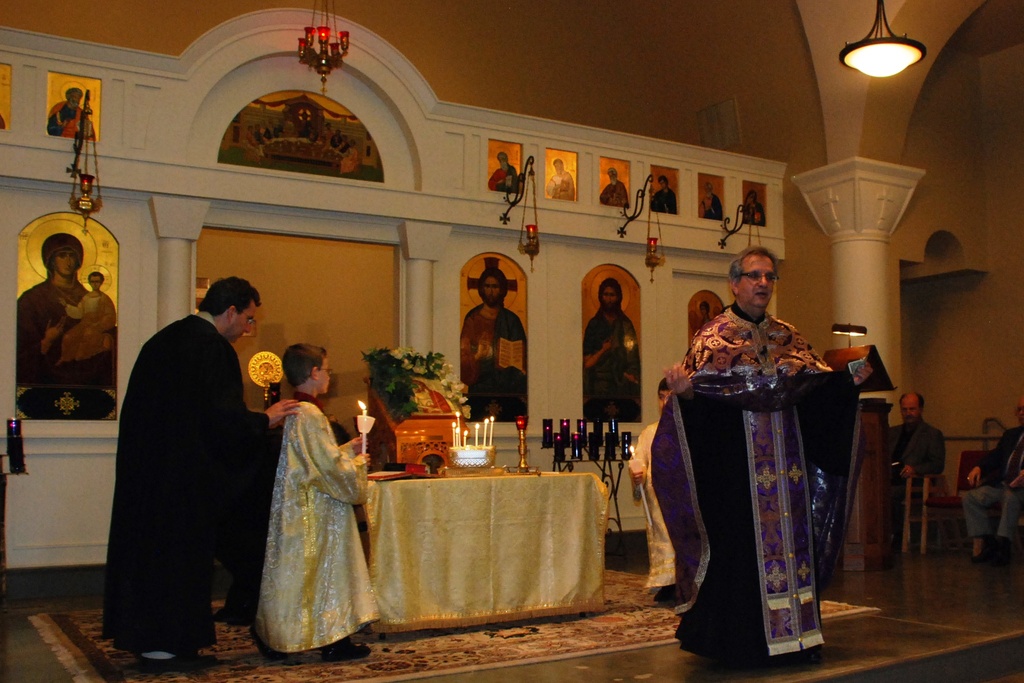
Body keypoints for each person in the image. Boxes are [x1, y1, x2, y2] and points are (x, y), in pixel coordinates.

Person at [653, 245, 872, 668]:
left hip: (788, 474)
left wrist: (849, 382)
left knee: (793, 550)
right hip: (737, 475)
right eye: (754, 276)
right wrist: (687, 394)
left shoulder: (790, 337)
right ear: (734, 283)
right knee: (741, 553)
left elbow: (816, 392)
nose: (762, 284)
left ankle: (799, 638)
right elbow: (701, 410)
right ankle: (743, 642)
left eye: (769, 277)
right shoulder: (712, 337)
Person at [102, 276, 299, 670]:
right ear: (229, 312)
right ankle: (169, 644)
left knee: (150, 557)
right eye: (247, 319)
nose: (248, 329)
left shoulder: (164, 339)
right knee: (176, 560)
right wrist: (264, 420)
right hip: (183, 482)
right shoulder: (212, 348)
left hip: (148, 475)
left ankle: (148, 640)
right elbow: (222, 420)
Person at [252, 344, 378, 661]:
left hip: (303, 503)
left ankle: (278, 634)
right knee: (325, 571)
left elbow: (315, 458)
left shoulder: (297, 409)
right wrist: (359, 463)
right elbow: (329, 469)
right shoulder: (311, 414)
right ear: (313, 373)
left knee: (297, 573)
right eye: (327, 369)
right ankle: (333, 638)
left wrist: (347, 448)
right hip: (318, 509)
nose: (329, 376)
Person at [17, 233, 113, 387]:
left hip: (89, 383)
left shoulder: (93, 299)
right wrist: (46, 341)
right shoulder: (32, 300)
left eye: (72, 256)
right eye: (62, 256)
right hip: (43, 385)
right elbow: (20, 350)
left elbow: (108, 326)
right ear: (51, 261)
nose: (68, 261)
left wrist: (105, 337)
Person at [627, 378, 676, 603]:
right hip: (659, 497)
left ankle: (684, 580)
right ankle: (667, 581)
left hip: (681, 497)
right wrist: (639, 475)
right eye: (661, 397)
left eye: (670, 397)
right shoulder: (649, 433)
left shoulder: (689, 430)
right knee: (662, 533)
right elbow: (641, 461)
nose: (665, 403)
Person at [962, 396, 1024, 567]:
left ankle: (1004, 547)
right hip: (1003, 484)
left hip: (1021, 489)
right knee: (970, 498)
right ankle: (990, 543)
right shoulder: (1011, 435)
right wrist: (979, 467)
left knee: (1011, 498)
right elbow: (995, 456)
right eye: (1019, 409)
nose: (1021, 413)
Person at [888, 392, 945, 550]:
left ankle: (898, 535)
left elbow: (937, 464)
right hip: (891, 476)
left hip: (915, 480)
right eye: (904, 409)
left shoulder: (932, 434)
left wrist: (915, 469)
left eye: (912, 409)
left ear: (921, 409)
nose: (908, 413)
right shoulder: (892, 433)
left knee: (891, 494)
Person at [460, 266, 527, 397]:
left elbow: (522, 354)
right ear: (481, 288)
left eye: (495, 287)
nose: (491, 291)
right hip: (480, 386)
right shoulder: (473, 318)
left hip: (508, 388)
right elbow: (464, 354)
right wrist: (478, 355)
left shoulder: (511, 320)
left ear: (502, 289)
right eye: (487, 286)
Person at [583, 277, 640, 401]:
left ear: (618, 297)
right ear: (600, 297)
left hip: (621, 384)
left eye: (612, 295)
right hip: (599, 382)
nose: (609, 299)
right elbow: (586, 362)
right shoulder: (594, 324)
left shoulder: (625, 324)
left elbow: (633, 357)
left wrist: (629, 374)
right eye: (606, 295)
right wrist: (604, 350)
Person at [58, 271, 117, 366]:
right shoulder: (86, 297)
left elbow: (110, 316)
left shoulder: (104, 298)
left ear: (101, 282)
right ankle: (65, 359)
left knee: (87, 336)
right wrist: (66, 306)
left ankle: (82, 361)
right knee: (68, 337)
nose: (95, 284)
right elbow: (79, 312)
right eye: (92, 281)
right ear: (89, 282)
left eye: (97, 281)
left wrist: (99, 324)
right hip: (84, 324)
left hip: (96, 326)